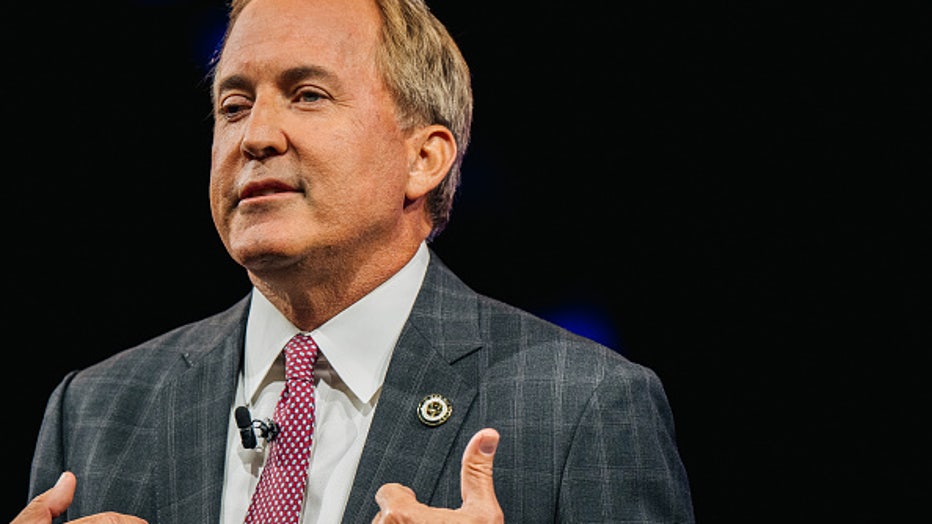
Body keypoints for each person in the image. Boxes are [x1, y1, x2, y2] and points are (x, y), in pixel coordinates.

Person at [15, 0, 695, 522]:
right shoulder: (95, 409)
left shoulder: (583, 405)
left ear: (422, 157)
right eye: (234, 104)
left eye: (307, 94)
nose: (255, 135)